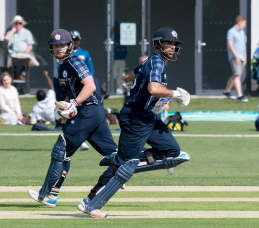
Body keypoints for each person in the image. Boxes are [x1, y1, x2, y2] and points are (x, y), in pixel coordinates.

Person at [77, 27, 191, 218]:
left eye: (174, 44)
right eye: (168, 43)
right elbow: (153, 88)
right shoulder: (157, 62)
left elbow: (133, 73)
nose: (172, 47)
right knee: (125, 165)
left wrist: (127, 79)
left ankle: (120, 160)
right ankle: (91, 202)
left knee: (173, 152)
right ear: (157, 44)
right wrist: (175, 93)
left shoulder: (153, 61)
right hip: (136, 119)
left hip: (148, 117)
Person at [27, 29, 117, 208]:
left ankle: (46, 194)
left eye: (62, 45)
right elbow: (70, 93)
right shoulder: (63, 65)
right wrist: (62, 109)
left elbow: (90, 86)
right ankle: (148, 160)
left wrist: (74, 103)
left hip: (87, 112)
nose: (59, 48)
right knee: (116, 156)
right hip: (94, 113)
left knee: (61, 153)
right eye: (55, 45)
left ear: (69, 46)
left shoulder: (74, 61)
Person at [5, 15, 39, 80]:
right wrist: (12, 30)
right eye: (16, 23)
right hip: (14, 53)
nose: (18, 25)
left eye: (20, 23)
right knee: (9, 61)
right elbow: (6, 40)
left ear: (22, 24)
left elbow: (30, 45)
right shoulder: (11, 32)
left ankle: (22, 74)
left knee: (29, 59)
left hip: (24, 52)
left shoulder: (27, 32)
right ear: (13, 24)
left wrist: (26, 52)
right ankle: (14, 76)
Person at [223, 15, 248, 102]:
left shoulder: (242, 32)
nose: (245, 25)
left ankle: (227, 91)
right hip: (235, 57)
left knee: (236, 75)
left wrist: (245, 57)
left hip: (241, 57)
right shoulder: (231, 31)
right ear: (239, 22)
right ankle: (240, 96)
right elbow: (230, 44)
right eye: (244, 23)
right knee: (237, 75)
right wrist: (236, 56)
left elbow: (243, 46)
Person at [114, 21, 128, 95]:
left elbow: (124, 48)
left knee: (120, 74)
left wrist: (125, 56)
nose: (118, 28)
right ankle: (109, 87)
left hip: (121, 58)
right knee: (114, 74)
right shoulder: (113, 36)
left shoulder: (122, 36)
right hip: (114, 59)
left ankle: (120, 88)